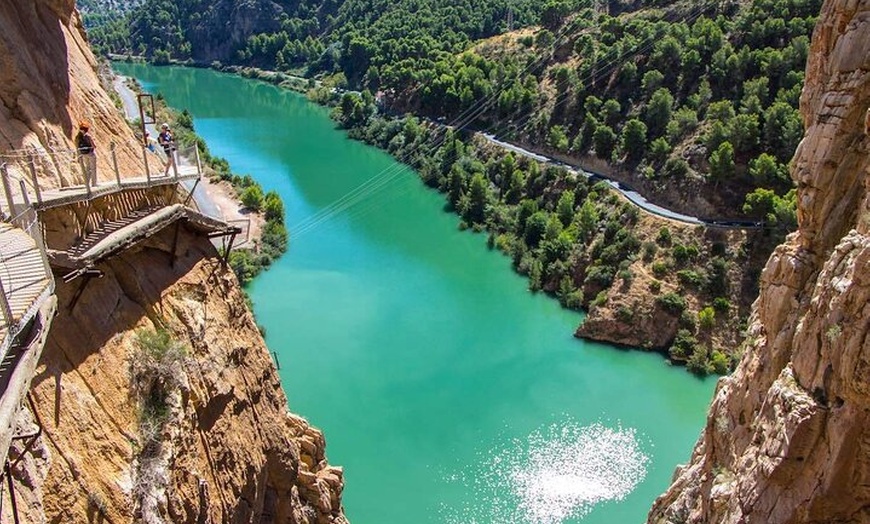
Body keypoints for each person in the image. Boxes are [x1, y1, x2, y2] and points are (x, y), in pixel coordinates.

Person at [76, 121, 97, 186]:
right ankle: (94, 183)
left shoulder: (78, 137)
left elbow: (77, 147)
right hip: (90, 153)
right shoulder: (88, 136)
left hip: (84, 154)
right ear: (86, 129)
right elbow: (94, 146)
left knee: (87, 168)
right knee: (93, 168)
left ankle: (87, 183)